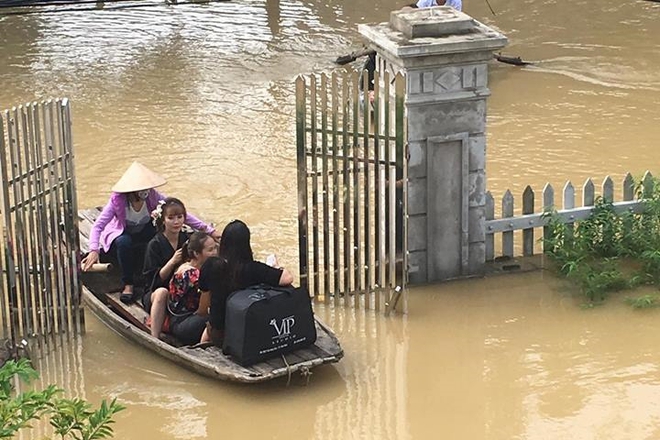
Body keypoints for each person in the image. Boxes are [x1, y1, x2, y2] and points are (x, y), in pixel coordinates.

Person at [81, 162, 218, 303]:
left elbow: (177, 212)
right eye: (141, 188)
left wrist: (208, 230)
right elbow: (98, 226)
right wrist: (94, 250)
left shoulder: (152, 196)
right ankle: (128, 283)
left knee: (160, 234)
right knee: (124, 242)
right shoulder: (118, 201)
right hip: (123, 234)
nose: (145, 191)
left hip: (144, 230)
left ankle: (153, 273)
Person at [198, 220, 294, 346]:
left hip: (220, 332)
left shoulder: (210, 265)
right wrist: (278, 267)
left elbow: (204, 305)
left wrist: (201, 314)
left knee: (209, 327)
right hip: (250, 331)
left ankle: (202, 346)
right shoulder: (254, 268)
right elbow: (287, 278)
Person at [165, 231, 217, 345]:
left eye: (215, 248)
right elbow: (202, 311)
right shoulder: (191, 274)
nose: (215, 253)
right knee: (218, 318)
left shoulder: (201, 268)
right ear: (197, 254)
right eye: (210, 250)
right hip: (182, 323)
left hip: (191, 318)